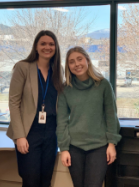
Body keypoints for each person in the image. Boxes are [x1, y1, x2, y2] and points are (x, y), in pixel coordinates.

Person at [56, 46, 122, 187]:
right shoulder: (65, 89)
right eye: (71, 61)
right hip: (74, 147)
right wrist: (64, 149)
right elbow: (61, 121)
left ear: (87, 60)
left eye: (80, 59)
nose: (77, 64)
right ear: (68, 66)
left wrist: (112, 144)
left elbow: (111, 116)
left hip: (99, 147)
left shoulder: (103, 85)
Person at [6, 30, 63, 187]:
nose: (47, 47)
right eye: (43, 43)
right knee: (31, 181)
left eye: (51, 44)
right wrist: (20, 136)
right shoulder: (23, 67)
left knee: (46, 181)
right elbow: (14, 102)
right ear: (36, 47)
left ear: (56, 47)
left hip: (51, 132)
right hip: (29, 132)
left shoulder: (58, 70)